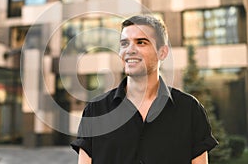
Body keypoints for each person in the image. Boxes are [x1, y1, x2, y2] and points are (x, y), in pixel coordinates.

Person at [71, 15, 218, 164]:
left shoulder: (190, 110)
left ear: (163, 52)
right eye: (124, 43)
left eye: (141, 42)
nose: (130, 50)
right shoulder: (95, 111)